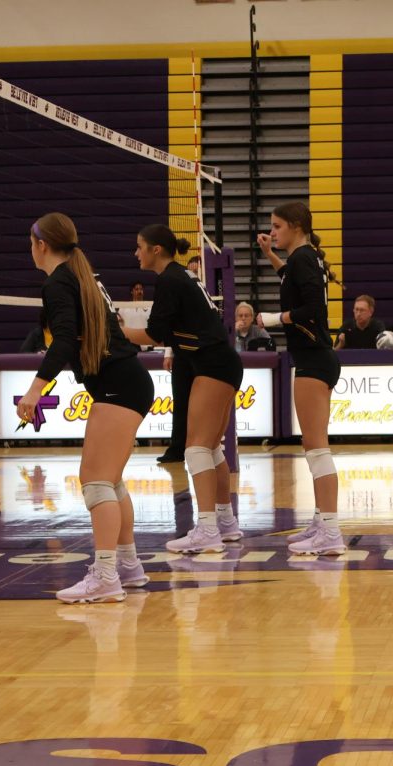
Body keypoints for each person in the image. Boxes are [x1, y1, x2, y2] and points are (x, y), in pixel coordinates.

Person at [17, 212, 155, 603]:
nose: (31, 249)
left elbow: (62, 343)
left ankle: (106, 575)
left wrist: (34, 391)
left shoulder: (58, 281)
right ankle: (127, 566)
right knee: (109, 481)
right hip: (126, 380)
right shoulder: (82, 274)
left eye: (31, 243)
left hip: (118, 384)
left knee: (95, 481)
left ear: (42, 245)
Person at [125, 225, 245, 552]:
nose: (136, 253)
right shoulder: (181, 276)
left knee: (195, 448)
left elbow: (155, 335)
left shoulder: (169, 279)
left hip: (213, 363)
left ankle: (207, 530)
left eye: (140, 247)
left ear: (156, 250)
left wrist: (117, 332)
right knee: (211, 448)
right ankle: (225, 522)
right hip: (220, 361)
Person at [256, 201, 346, 556]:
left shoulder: (305, 258)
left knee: (317, 448)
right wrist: (269, 255)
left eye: (276, 227)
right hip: (315, 357)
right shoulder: (303, 259)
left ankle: (332, 532)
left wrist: (274, 318)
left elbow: (312, 310)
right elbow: (291, 279)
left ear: (295, 226)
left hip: (313, 358)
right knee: (312, 447)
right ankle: (323, 522)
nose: (272, 232)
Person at [157, 256, 204, 463]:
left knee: (201, 404)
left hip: (202, 351)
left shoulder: (197, 284)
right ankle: (177, 448)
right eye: (192, 265)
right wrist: (169, 352)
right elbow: (172, 320)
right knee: (181, 401)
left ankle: (201, 445)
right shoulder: (178, 281)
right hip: (182, 351)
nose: (194, 268)